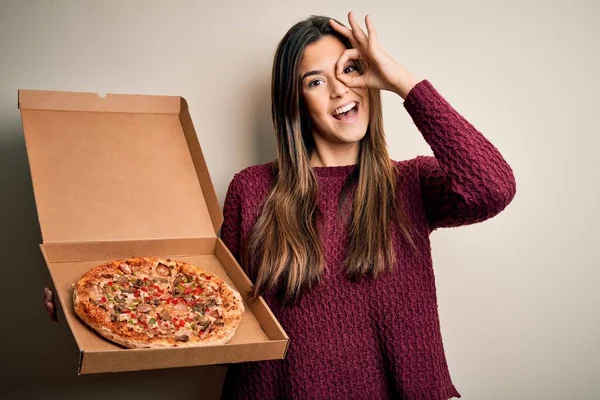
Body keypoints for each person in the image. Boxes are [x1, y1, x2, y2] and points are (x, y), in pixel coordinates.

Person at [44, 11, 516, 400]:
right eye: (315, 80)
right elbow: (209, 300)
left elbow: (493, 186)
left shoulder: (409, 183)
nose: (339, 90)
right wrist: (86, 295)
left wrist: (399, 79)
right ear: (295, 101)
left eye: (350, 70)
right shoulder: (252, 190)